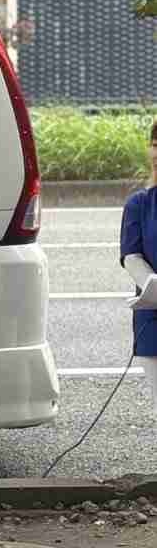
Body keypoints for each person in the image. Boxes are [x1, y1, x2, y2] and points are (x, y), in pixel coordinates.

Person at [120, 118, 157, 410]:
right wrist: (152, 286)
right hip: (153, 321)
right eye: (155, 144)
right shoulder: (139, 203)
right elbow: (131, 257)